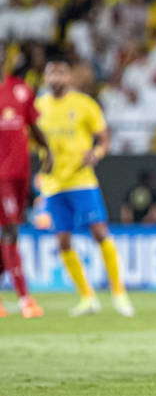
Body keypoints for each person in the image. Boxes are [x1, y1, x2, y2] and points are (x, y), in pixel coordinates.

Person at [35, 54, 133, 317]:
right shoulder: (38, 106)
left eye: (60, 73)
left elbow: (103, 138)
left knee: (100, 232)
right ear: (45, 78)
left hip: (81, 180)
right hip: (53, 183)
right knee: (63, 240)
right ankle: (87, 297)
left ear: (68, 77)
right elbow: (32, 139)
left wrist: (97, 153)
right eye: (51, 73)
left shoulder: (83, 104)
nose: (56, 78)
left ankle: (119, 293)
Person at [0, 44, 50, 318]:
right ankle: (24, 299)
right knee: (9, 231)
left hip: (21, 173)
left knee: (8, 231)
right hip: (1, 176)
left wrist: (47, 151)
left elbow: (33, 125)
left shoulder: (20, 89)